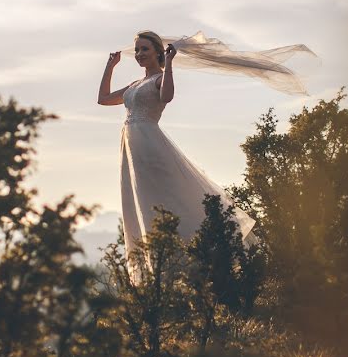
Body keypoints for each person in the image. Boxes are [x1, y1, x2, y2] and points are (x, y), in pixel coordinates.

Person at [97, 30, 256, 263]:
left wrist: (169, 64)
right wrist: (110, 66)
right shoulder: (135, 84)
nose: (139, 54)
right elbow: (103, 99)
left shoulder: (160, 78)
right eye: (138, 50)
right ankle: (159, 257)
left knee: (166, 195)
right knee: (143, 199)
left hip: (150, 143)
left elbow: (167, 96)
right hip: (132, 149)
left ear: (157, 53)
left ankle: (194, 252)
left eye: (145, 49)